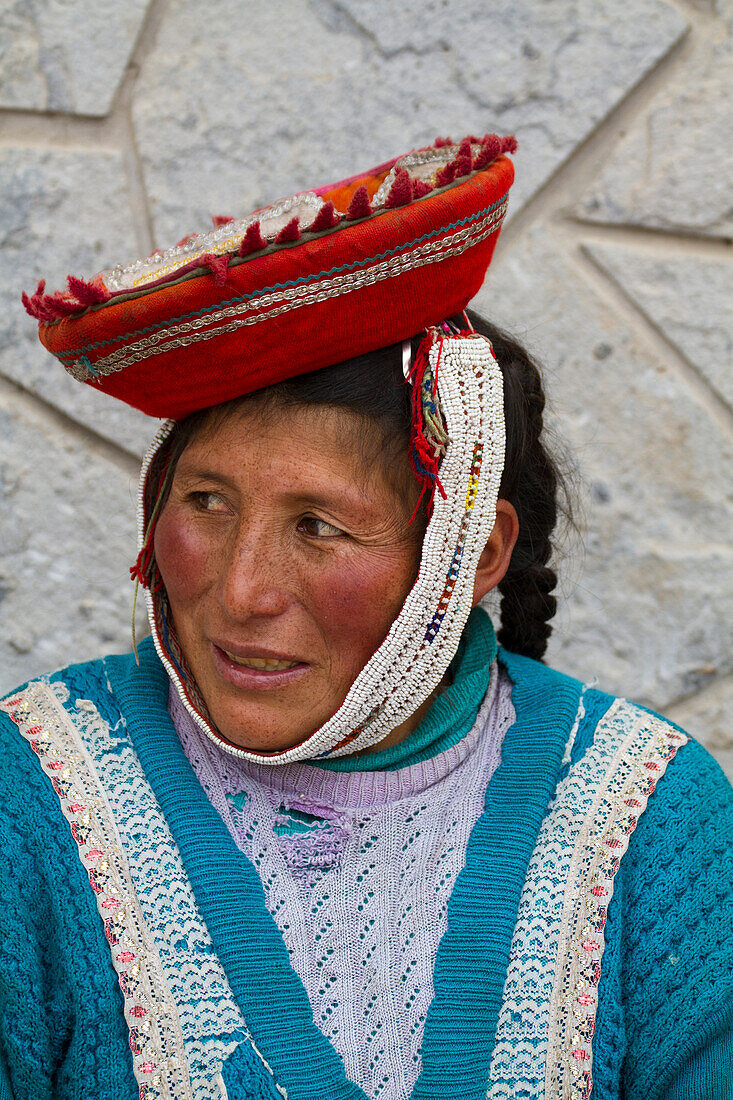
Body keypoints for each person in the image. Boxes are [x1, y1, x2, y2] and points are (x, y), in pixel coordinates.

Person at [1, 134, 730, 1100]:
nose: (241, 590)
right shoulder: (33, 795)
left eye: (318, 526)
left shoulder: (645, 818)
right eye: (207, 502)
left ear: (473, 558)